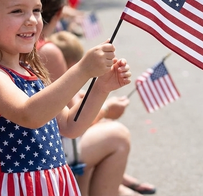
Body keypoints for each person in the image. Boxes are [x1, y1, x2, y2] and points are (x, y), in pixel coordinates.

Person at [0, 0, 131, 195]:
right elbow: (29, 114)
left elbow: (69, 125)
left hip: (50, 185)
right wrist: (82, 70)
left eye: (36, 10)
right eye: (17, 11)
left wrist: (100, 87)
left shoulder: (30, 71)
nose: (32, 20)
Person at [50, 30, 156, 196]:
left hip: (56, 146)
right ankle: (118, 184)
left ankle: (118, 182)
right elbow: (72, 124)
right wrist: (106, 109)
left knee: (103, 134)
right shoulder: (50, 54)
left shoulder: (41, 50)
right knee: (117, 136)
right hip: (55, 150)